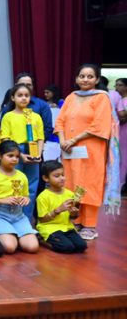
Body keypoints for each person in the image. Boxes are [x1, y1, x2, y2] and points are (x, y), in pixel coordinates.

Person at [55, 64, 119, 240]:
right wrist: (62, 141)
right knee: (71, 184)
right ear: (76, 78)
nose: (85, 79)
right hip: (69, 149)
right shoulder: (70, 97)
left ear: (97, 79)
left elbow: (99, 125)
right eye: (82, 76)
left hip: (90, 150)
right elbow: (60, 121)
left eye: (90, 76)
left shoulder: (101, 98)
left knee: (88, 185)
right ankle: (75, 220)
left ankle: (89, 225)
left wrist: (73, 140)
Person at [0, 140, 38, 254]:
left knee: (32, 247)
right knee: (10, 247)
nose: (14, 159)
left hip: (18, 216)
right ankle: (3, 233)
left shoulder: (22, 176)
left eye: (17, 157)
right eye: (10, 156)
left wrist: (26, 199)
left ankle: (13, 234)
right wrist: (3, 200)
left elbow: (26, 196)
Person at [0, 84, 44, 221]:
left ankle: (27, 218)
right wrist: (19, 155)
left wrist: (38, 154)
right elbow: (5, 138)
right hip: (14, 151)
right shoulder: (8, 116)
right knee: (15, 184)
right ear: (13, 98)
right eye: (20, 95)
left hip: (33, 149)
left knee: (31, 186)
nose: (23, 98)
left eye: (26, 95)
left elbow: (40, 137)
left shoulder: (36, 116)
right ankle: (12, 218)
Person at [36, 161, 87, 253]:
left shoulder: (70, 194)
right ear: (46, 178)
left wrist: (74, 214)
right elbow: (42, 220)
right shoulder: (43, 197)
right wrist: (57, 210)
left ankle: (58, 240)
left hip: (66, 226)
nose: (62, 178)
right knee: (67, 247)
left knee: (82, 246)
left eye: (63, 175)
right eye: (57, 176)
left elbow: (72, 218)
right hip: (49, 227)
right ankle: (42, 240)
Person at [0, 73, 53, 143]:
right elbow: (2, 131)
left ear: (33, 86)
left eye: (29, 85)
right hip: (13, 150)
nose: (25, 87)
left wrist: (37, 144)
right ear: (15, 86)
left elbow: (47, 129)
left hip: (35, 148)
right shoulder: (8, 107)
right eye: (22, 84)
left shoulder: (43, 105)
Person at [115, 78, 127, 192]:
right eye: (116, 85)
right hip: (119, 131)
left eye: (120, 85)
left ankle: (121, 185)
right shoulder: (120, 99)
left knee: (124, 158)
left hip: (125, 131)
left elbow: (123, 118)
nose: (117, 87)